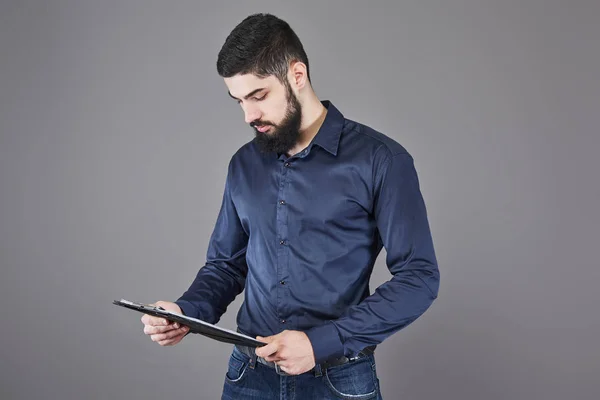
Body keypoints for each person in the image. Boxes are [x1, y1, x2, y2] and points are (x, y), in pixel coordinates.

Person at [140, 13, 440, 399]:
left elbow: (419, 277)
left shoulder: (381, 160)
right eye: (239, 101)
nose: (249, 116)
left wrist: (322, 343)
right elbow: (226, 264)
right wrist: (186, 312)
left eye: (259, 96)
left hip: (338, 381)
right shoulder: (243, 164)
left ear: (297, 75)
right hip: (247, 377)